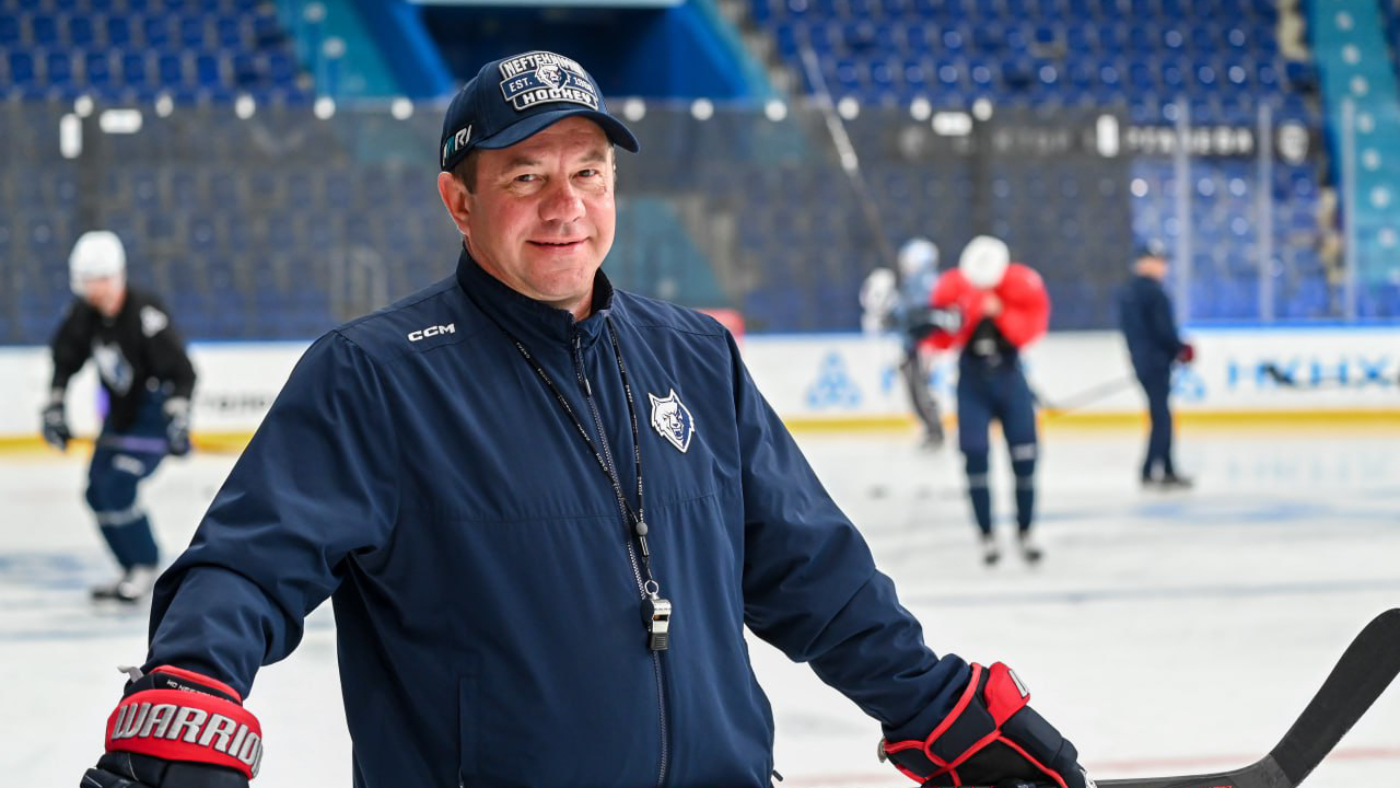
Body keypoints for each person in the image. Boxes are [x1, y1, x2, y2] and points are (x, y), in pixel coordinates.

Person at [82, 51, 1090, 788]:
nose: (564, 204)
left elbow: (812, 571)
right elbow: (246, 565)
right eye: (525, 176)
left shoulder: (695, 355)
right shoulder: (375, 377)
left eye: (588, 172)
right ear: (459, 201)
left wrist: (936, 705)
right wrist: (189, 689)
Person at [42, 231, 196, 603]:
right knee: (96, 491)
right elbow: (65, 359)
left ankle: (145, 565)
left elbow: (183, 373)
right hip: (120, 420)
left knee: (118, 486)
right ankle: (129, 568)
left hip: (153, 419)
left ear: (117, 276)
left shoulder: (146, 314)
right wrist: (55, 405)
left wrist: (178, 417)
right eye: (88, 283)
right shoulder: (84, 314)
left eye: (101, 281)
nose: (96, 292)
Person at [925, 236, 1050, 566]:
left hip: (1009, 378)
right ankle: (986, 534)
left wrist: (1001, 312)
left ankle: (1026, 530)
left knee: (1025, 454)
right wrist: (959, 316)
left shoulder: (1022, 284)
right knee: (975, 455)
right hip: (972, 382)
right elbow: (937, 338)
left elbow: (1031, 330)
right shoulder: (952, 287)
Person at [1116, 240, 1194, 489]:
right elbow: (1163, 331)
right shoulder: (1154, 293)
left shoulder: (1128, 292)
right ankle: (1156, 470)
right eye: (1159, 261)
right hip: (1157, 363)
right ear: (1144, 263)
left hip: (1142, 362)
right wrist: (1180, 349)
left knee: (1160, 416)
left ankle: (1156, 468)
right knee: (1162, 418)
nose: (1164, 267)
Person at [893, 238, 946, 447]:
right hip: (915, 344)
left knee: (921, 388)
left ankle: (934, 429)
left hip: (923, 344)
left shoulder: (925, 282)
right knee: (917, 387)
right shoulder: (917, 283)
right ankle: (931, 428)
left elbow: (919, 313)